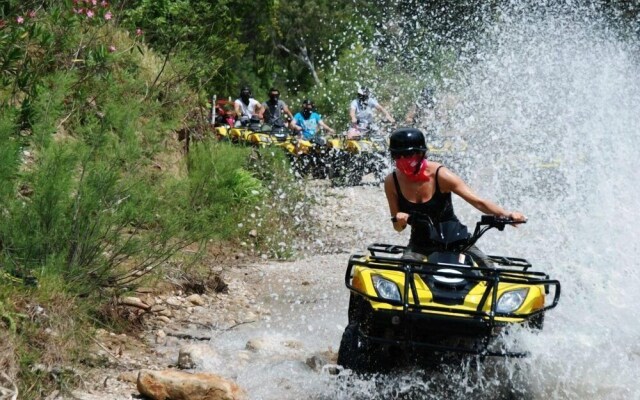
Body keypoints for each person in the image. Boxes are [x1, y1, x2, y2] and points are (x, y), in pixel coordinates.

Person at [384, 127, 526, 264]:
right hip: (420, 246)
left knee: (489, 268)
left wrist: (507, 214)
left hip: (458, 241)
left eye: (408, 155)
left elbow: (478, 202)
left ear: (421, 153)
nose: (403, 160)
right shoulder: (392, 182)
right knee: (405, 273)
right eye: (397, 156)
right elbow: (398, 227)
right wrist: (400, 221)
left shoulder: (441, 175)